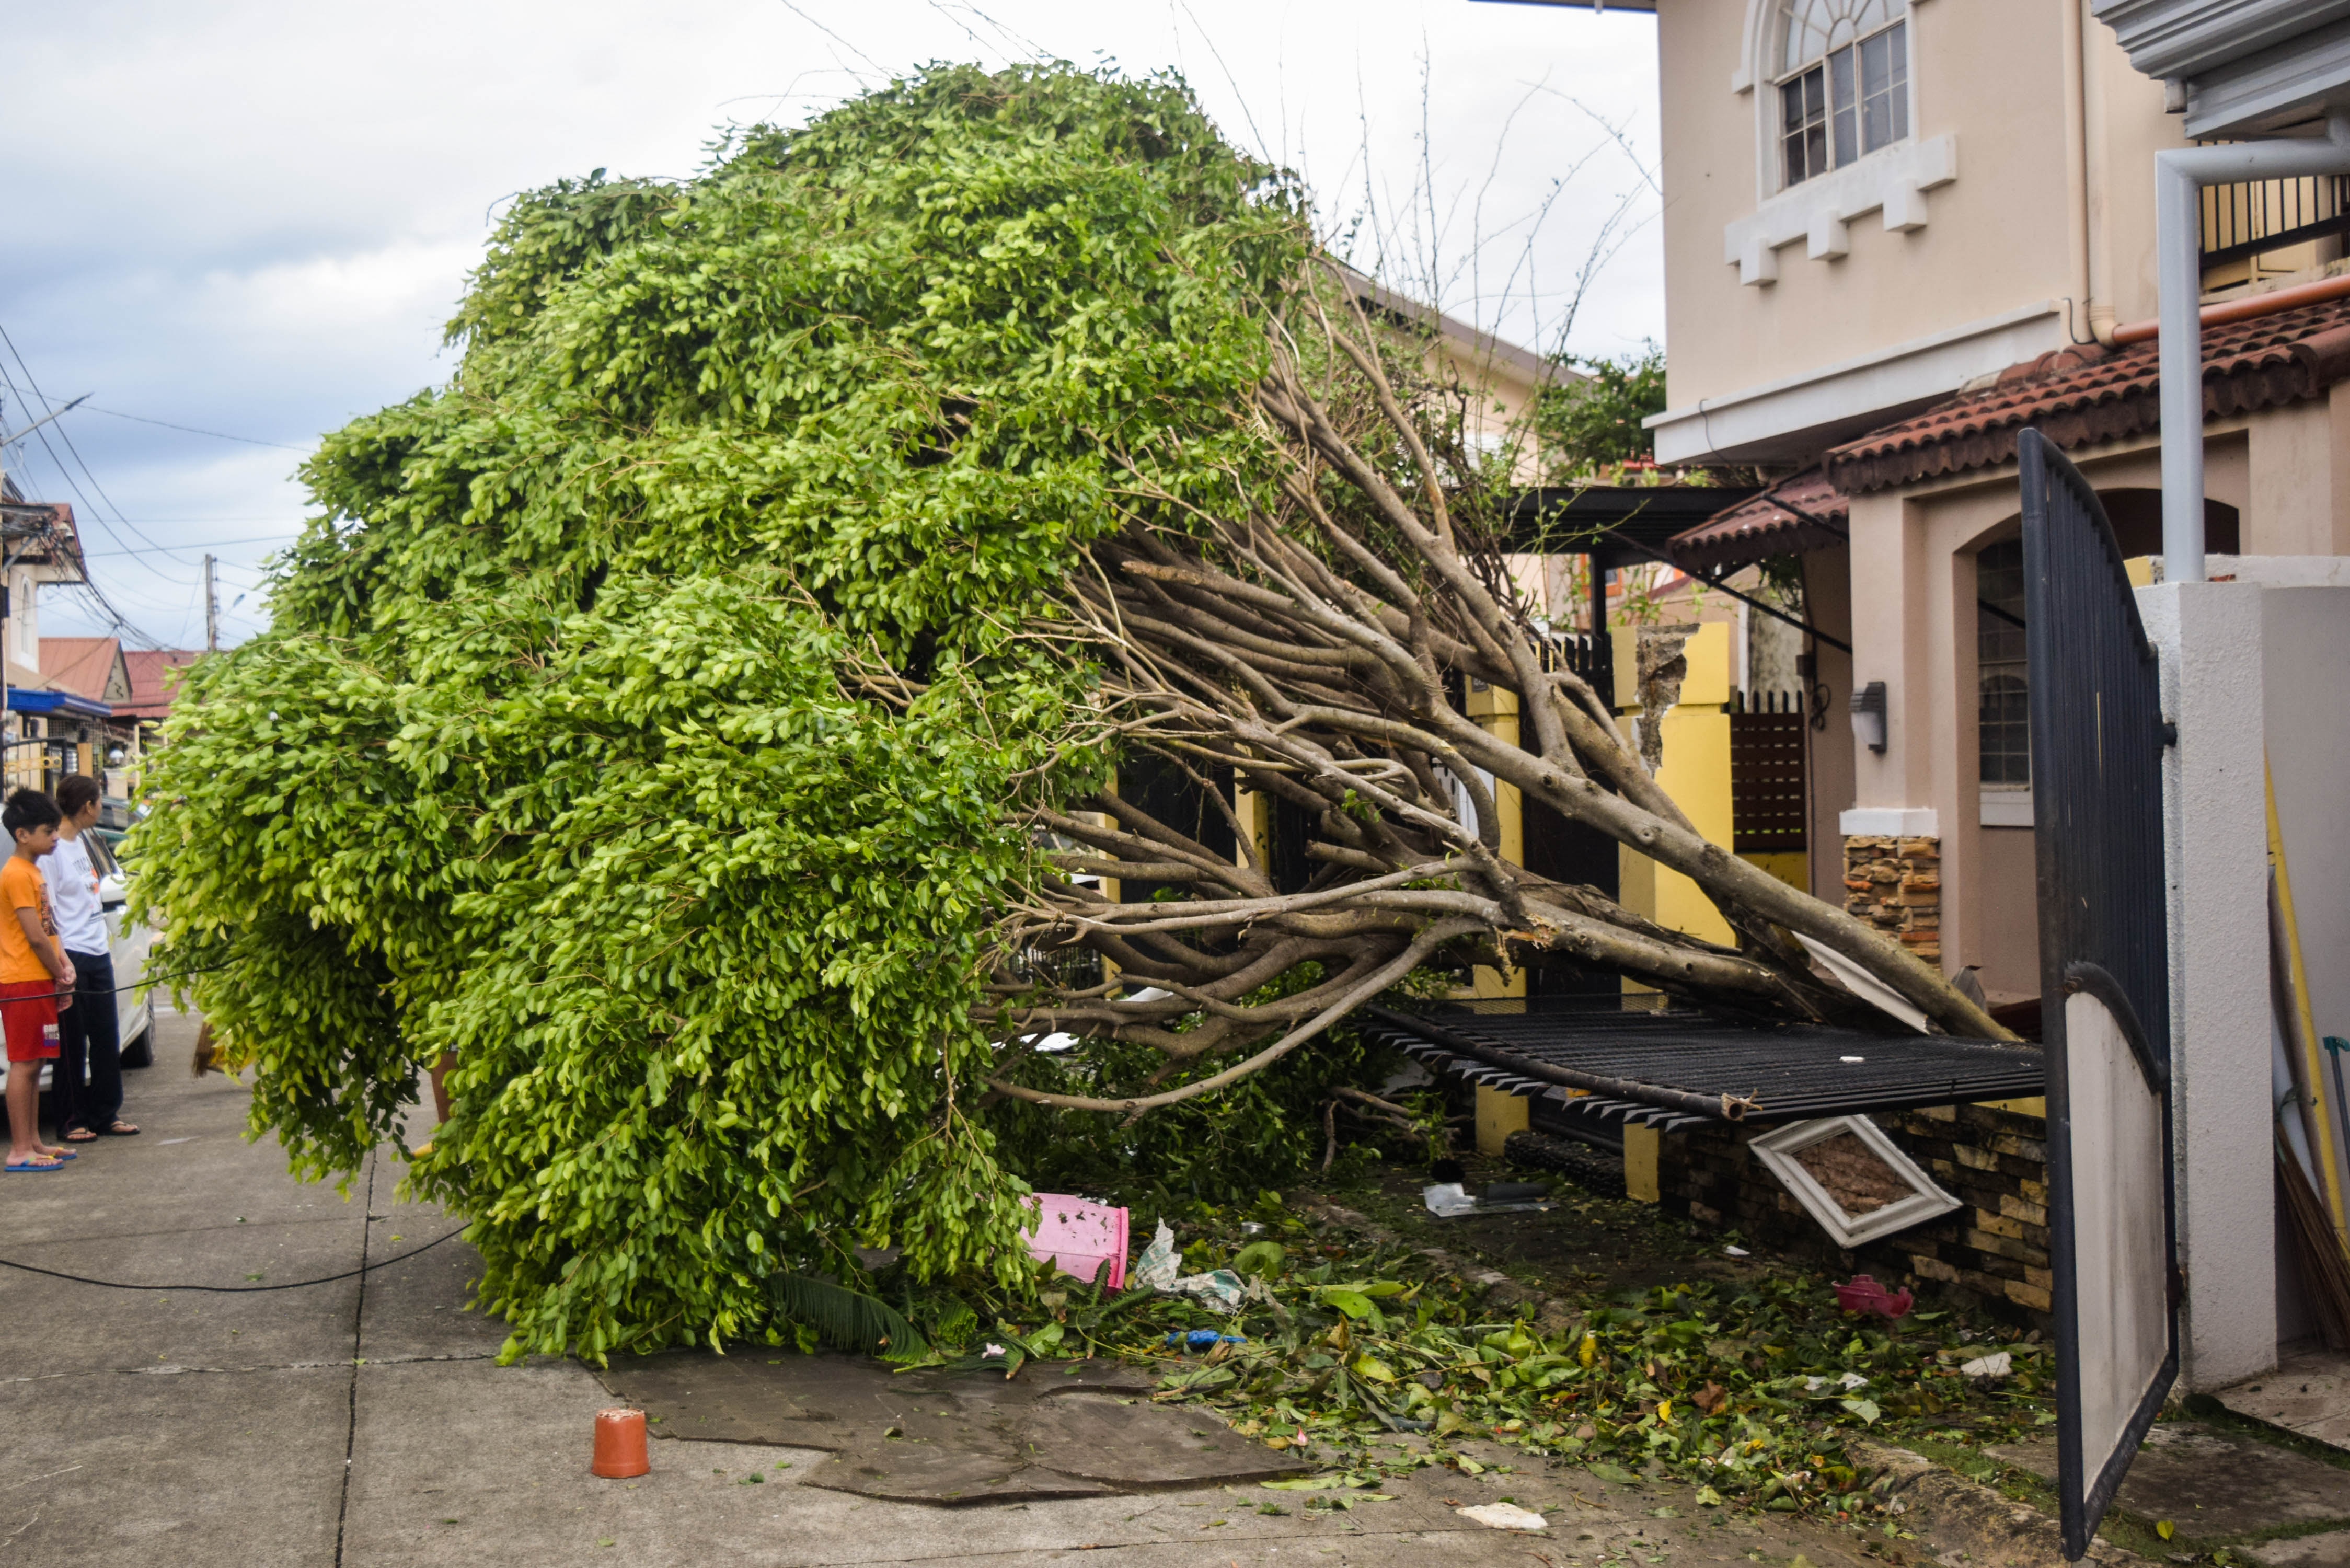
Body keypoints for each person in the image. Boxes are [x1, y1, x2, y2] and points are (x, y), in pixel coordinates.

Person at [47, 775, 134, 1141]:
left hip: (98, 950)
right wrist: (61, 963)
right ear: (88, 806)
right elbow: (47, 912)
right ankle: (72, 1119)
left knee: (105, 1036)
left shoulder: (83, 839)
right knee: (71, 1042)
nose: (101, 807)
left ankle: (106, 1112)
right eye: (100, 801)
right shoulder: (50, 852)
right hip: (72, 955)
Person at [1, 788, 75, 1172]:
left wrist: (63, 965)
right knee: (25, 1064)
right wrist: (59, 971)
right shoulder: (15, 874)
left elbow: (49, 929)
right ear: (22, 835)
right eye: (49, 831)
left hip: (41, 980)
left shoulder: (34, 871)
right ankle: (18, 1150)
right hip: (23, 981)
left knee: (39, 1062)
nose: (56, 837)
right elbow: (33, 936)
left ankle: (33, 1142)